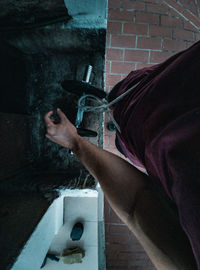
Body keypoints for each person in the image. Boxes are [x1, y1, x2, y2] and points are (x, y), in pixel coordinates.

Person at [44, 41, 200, 269]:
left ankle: (117, 118)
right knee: (123, 107)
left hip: (143, 113)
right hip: (151, 99)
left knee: (122, 119)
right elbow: (136, 204)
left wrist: (75, 143)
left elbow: (138, 202)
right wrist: (74, 142)